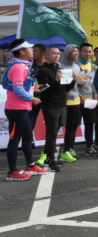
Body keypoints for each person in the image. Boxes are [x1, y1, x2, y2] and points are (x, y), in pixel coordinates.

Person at [4, 39, 47, 180]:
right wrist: (32, 98)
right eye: (30, 49)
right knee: (14, 139)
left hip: (21, 109)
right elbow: (17, 89)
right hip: (16, 110)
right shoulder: (18, 67)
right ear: (22, 52)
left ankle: (30, 165)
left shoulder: (22, 66)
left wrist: (34, 89)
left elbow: (22, 87)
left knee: (28, 137)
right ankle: (12, 172)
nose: (32, 50)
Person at [35, 45, 77, 169]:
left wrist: (73, 80)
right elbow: (43, 89)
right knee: (52, 132)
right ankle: (52, 160)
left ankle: (49, 158)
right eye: (53, 53)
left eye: (58, 53)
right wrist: (56, 80)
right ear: (46, 55)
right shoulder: (43, 70)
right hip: (50, 105)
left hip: (62, 104)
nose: (57, 56)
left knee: (55, 132)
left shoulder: (60, 68)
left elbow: (66, 88)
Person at [75, 43, 98, 156]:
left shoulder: (92, 65)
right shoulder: (75, 65)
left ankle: (89, 147)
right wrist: (79, 95)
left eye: (90, 52)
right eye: (85, 51)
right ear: (80, 52)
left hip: (90, 100)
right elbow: (72, 85)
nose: (88, 54)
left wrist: (95, 94)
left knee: (90, 124)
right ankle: (69, 149)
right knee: (74, 125)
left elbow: (92, 83)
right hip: (78, 100)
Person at [59, 44, 82, 162]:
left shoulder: (77, 66)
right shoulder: (59, 66)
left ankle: (69, 149)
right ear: (68, 53)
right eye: (74, 51)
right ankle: (50, 153)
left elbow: (78, 85)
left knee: (73, 127)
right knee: (60, 127)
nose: (77, 53)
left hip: (76, 100)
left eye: (77, 51)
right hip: (64, 101)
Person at [28, 43, 46, 130]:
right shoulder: (30, 67)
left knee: (51, 124)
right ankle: (29, 138)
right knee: (30, 123)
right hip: (34, 99)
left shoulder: (51, 65)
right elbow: (26, 83)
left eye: (35, 51)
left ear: (42, 53)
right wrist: (33, 88)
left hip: (48, 98)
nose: (33, 53)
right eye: (32, 51)